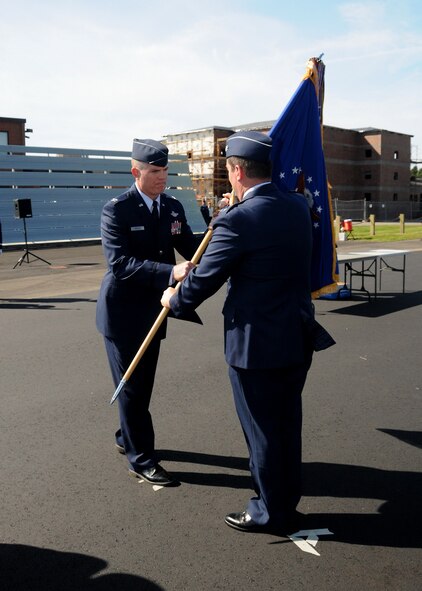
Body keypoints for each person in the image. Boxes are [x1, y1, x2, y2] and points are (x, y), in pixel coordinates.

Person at [161, 131, 334, 531]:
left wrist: (174, 299)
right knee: (285, 427)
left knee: (262, 432)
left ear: (237, 171)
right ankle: (284, 501)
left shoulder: (238, 220)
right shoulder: (296, 206)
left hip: (257, 345)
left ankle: (270, 511)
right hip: (296, 334)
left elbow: (203, 281)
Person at [96, 138, 200, 487]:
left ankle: (127, 436)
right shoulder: (117, 210)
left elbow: (190, 246)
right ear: (135, 172)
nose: (161, 177)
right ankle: (141, 459)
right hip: (122, 314)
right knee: (133, 391)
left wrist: (224, 231)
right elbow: (120, 264)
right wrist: (171, 273)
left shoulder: (171, 207)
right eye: (154, 171)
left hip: (155, 311)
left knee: (142, 388)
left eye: (165, 170)